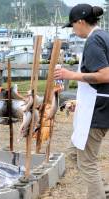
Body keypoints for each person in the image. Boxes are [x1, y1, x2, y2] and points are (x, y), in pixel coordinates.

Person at [55, 4, 109, 199]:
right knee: (74, 153)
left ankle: (98, 195)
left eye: (72, 26)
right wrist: (80, 101)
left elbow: (105, 75)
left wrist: (72, 75)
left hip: (98, 108)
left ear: (80, 22)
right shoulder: (103, 36)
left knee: (87, 162)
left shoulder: (94, 40)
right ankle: (100, 189)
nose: (73, 30)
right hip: (97, 103)